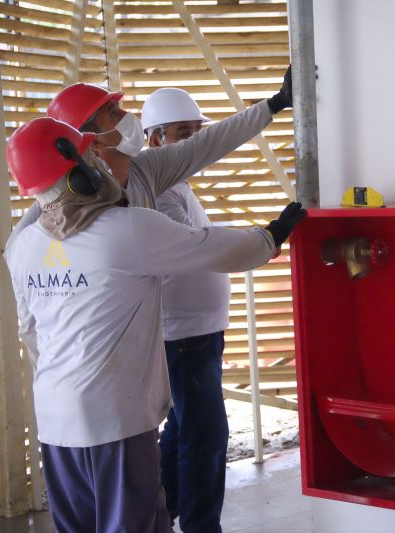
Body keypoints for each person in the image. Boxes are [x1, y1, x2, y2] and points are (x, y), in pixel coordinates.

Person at [4, 117, 305, 533]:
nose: (101, 162)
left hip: (55, 422)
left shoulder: (22, 246)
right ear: (78, 172)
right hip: (116, 419)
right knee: (137, 524)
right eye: (91, 154)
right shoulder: (125, 230)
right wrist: (271, 236)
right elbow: (210, 248)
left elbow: (29, 332)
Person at [140, 87, 272, 531]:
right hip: (183, 337)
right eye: (183, 133)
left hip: (197, 332)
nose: (194, 140)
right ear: (155, 140)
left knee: (183, 431)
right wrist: (265, 239)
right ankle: (199, 525)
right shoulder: (155, 191)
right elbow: (198, 249)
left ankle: (161, 515)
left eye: (198, 131)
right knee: (205, 436)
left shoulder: (175, 184)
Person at [8, 66, 293, 242]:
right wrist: (263, 240)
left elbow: (208, 143)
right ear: (91, 142)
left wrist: (273, 104)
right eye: (114, 114)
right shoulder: (60, 199)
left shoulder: (146, 169)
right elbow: (17, 251)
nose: (127, 116)